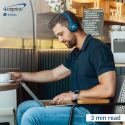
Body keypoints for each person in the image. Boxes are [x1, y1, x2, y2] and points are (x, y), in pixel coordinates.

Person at [11, 10, 116, 125]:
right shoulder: (77, 53)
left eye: (61, 34)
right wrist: (21, 76)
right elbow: (53, 74)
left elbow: (108, 89)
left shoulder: (98, 49)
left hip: (92, 115)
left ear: (73, 27)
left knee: (31, 116)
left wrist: (74, 95)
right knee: (24, 107)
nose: (60, 40)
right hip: (77, 106)